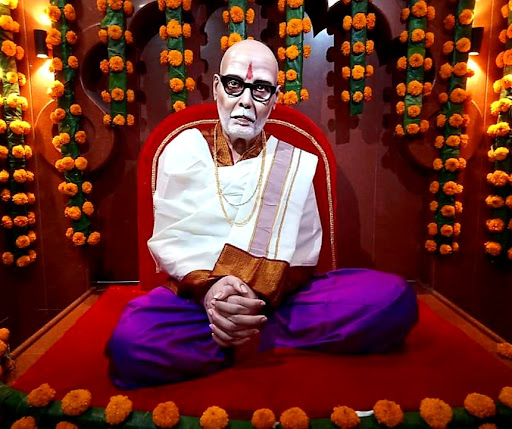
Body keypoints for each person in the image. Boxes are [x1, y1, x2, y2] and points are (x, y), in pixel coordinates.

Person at [107, 40, 418, 389]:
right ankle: (250, 334)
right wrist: (213, 293)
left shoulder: (293, 162)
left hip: (277, 302)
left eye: (260, 89)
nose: (245, 101)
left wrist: (253, 300)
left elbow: (302, 260)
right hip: (199, 303)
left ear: (274, 98)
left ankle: (243, 335)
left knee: (394, 298)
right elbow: (173, 243)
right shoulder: (183, 150)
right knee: (131, 342)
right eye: (234, 85)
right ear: (217, 87)